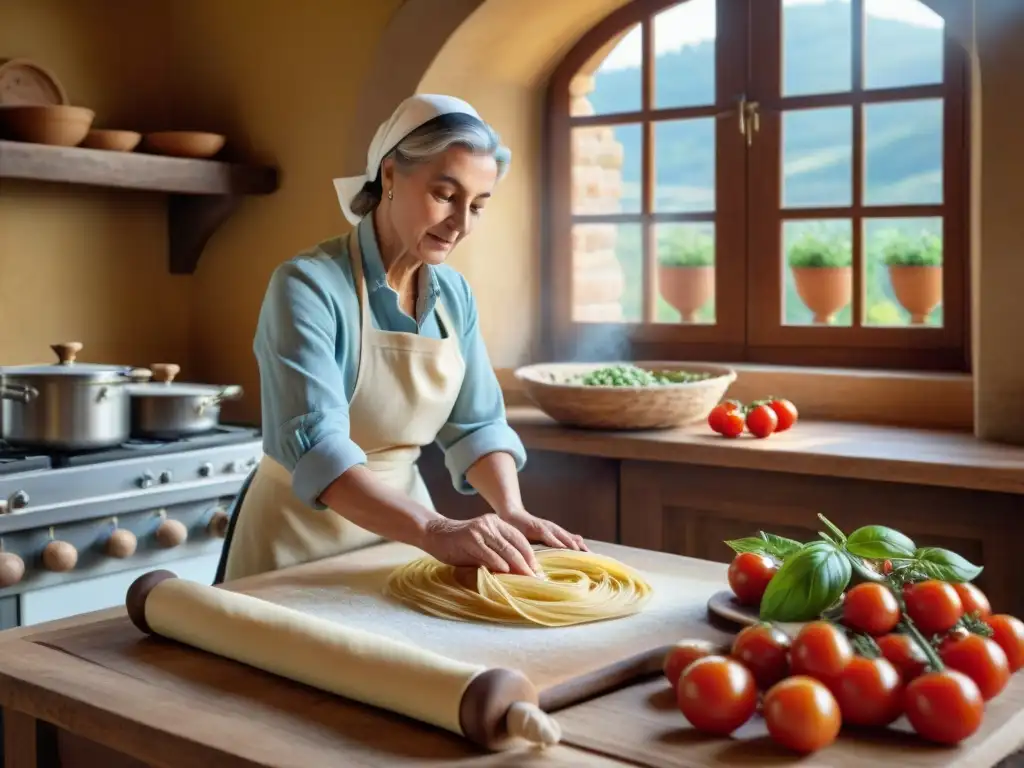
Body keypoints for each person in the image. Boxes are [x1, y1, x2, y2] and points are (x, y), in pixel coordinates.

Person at [215, 94, 587, 584]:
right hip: (295, 542)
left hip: (402, 539)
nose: (462, 223)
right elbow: (317, 450)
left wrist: (512, 510)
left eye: (477, 205)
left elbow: (477, 425)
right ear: (389, 175)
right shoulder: (306, 286)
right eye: (445, 195)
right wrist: (435, 528)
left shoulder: (454, 296)